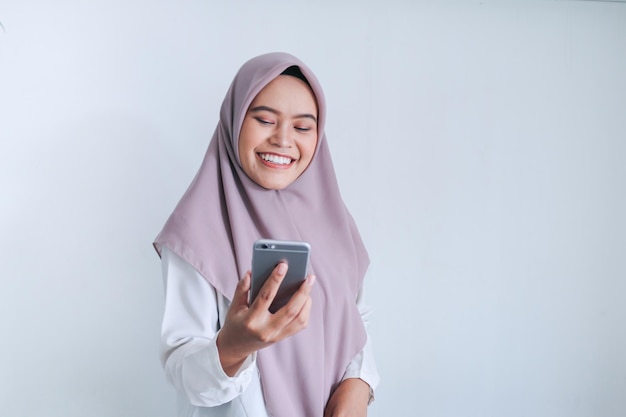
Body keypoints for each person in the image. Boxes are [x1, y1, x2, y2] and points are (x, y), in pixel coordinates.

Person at [153, 52, 379, 417]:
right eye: (264, 119)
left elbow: (356, 320)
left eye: (303, 127)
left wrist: (360, 384)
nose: (283, 140)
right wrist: (233, 347)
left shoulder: (336, 223)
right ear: (235, 121)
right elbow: (183, 371)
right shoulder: (195, 234)